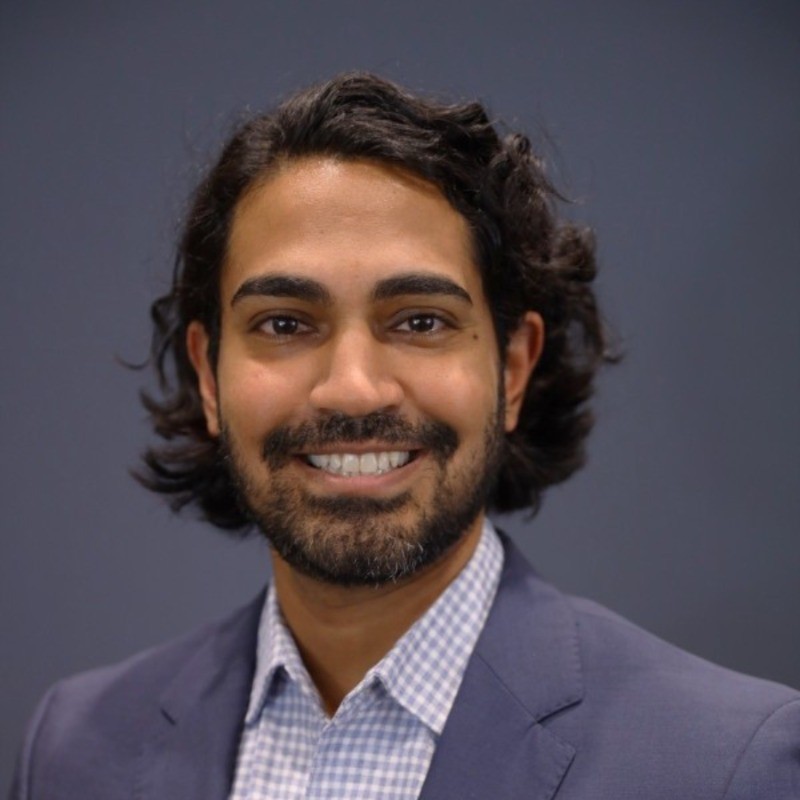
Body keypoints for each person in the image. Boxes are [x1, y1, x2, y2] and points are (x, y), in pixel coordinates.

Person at [10, 72, 799, 800]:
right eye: (284, 323)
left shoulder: (727, 764)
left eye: (421, 321)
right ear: (210, 377)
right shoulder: (73, 750)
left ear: (514, 369)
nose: (353, 386)